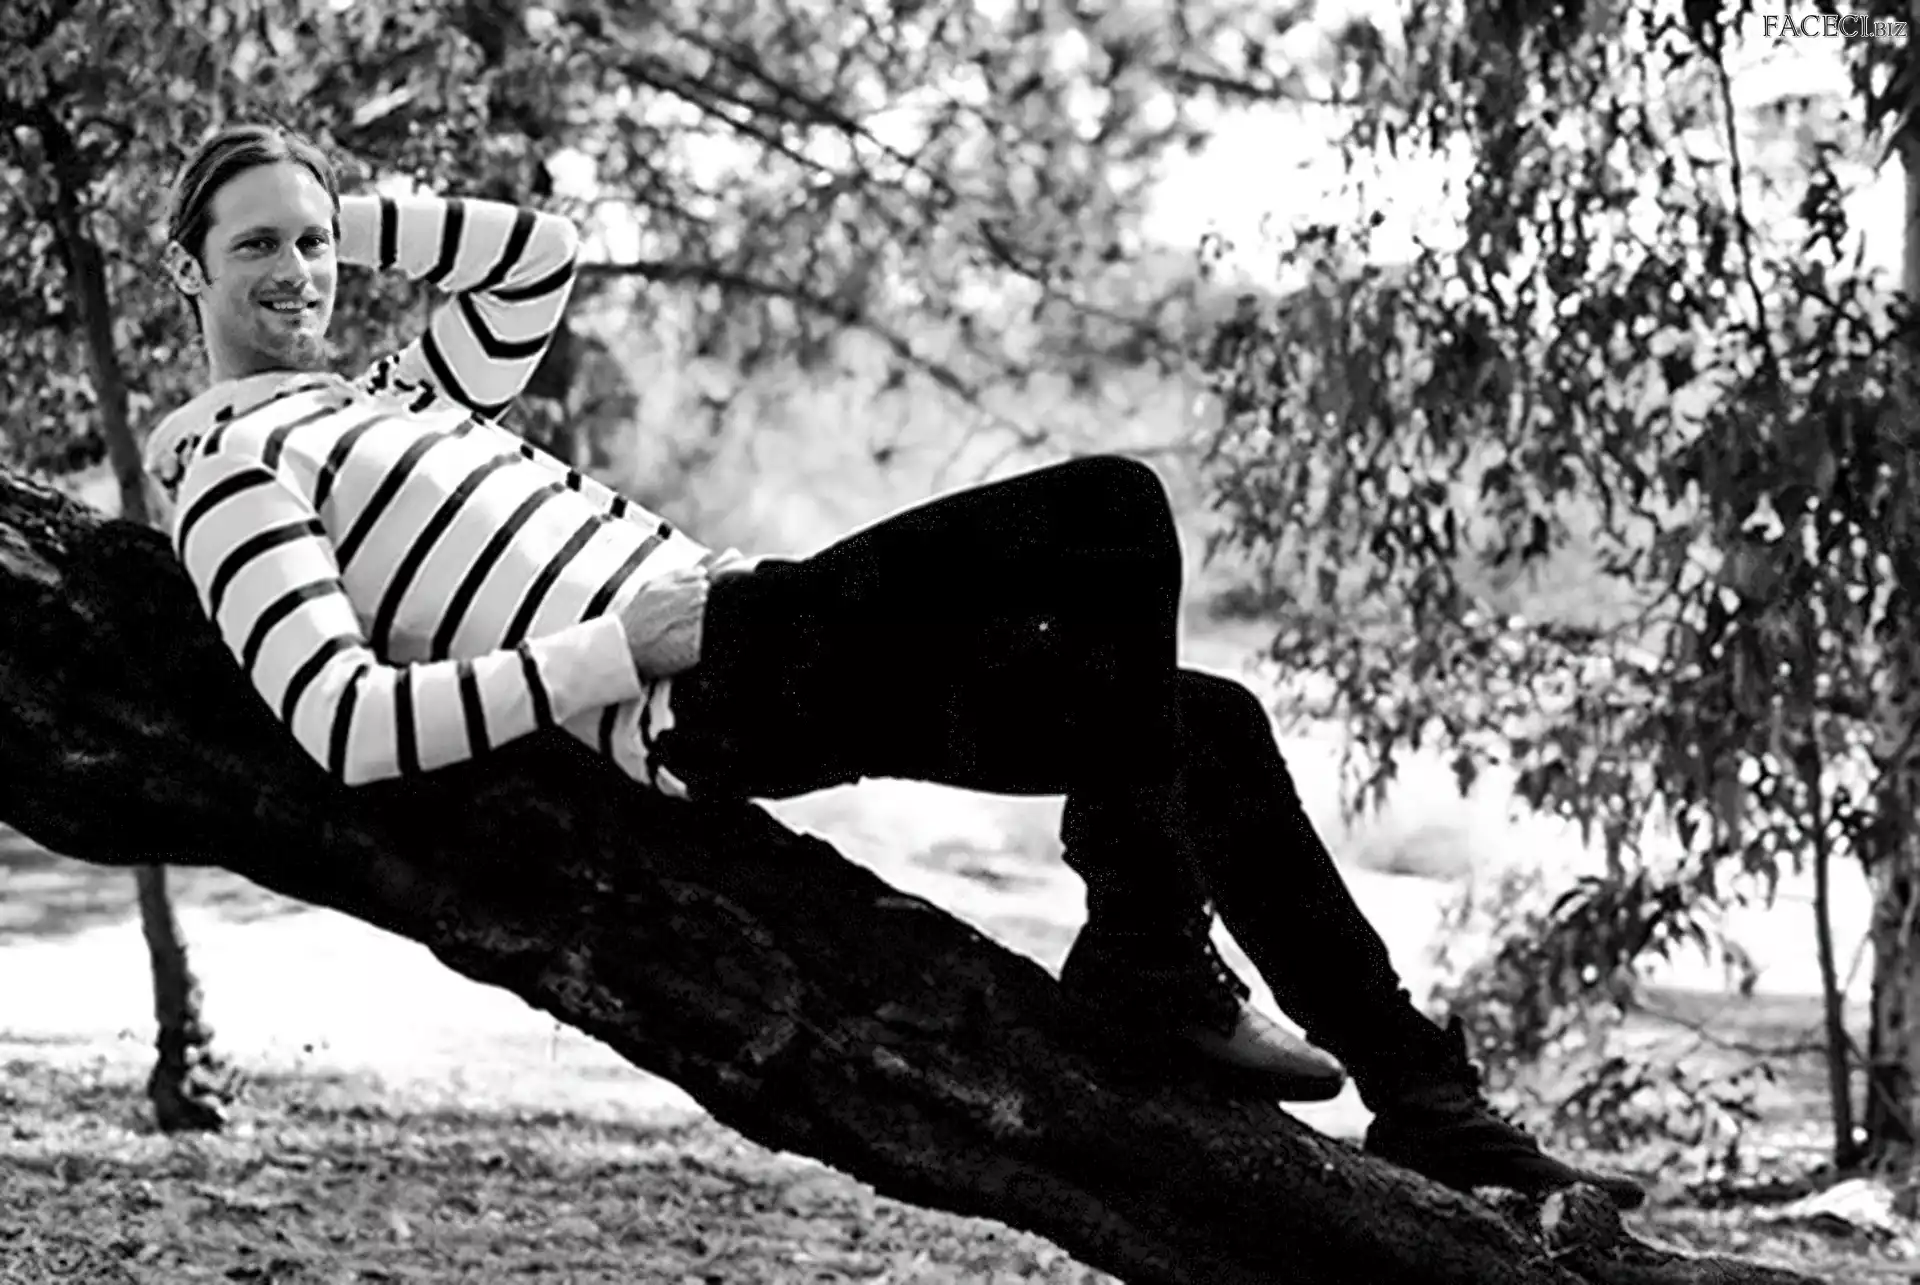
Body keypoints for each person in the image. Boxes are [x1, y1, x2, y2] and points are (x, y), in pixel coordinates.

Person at [143, 121, 1645, 1211]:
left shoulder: (391, 394)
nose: (299, 269)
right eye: (255, 247)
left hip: (756, 638)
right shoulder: (229, 463)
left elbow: (539, 255)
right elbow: (342, 723)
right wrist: (615, 648)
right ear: (184, 271)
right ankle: (1145, 951)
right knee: (1111, 510)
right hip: (698, 681)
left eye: (314, 243)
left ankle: (1427, 1100)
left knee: (1205, 723)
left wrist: (323, 200)